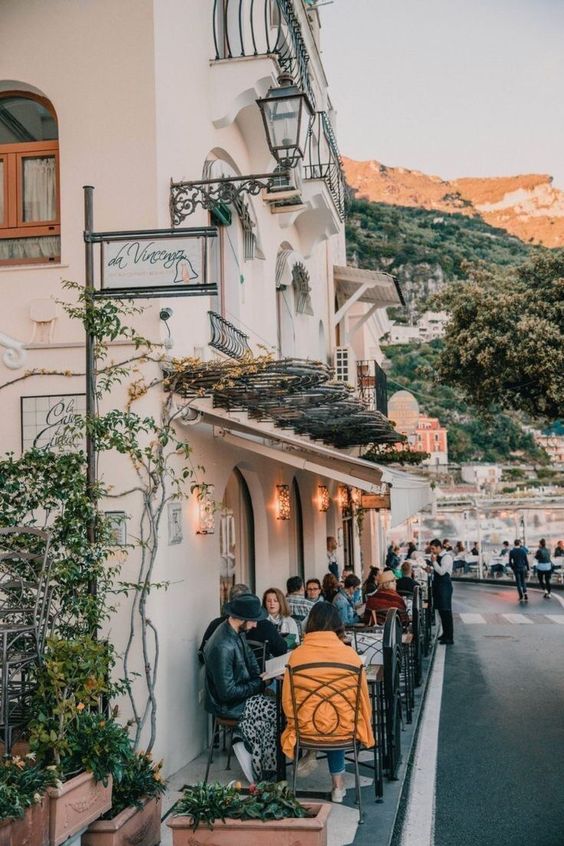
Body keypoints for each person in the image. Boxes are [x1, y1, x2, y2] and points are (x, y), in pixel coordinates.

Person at [281, 602, 374, 803]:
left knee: (321, 714)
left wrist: (294, 724)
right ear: (337, 624)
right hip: (343, 729)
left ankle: (310, 752)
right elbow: (362, 700)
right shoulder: (350, 656)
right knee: (336, 715)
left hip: (306, 729)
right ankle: (338, 785)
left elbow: (287, 701)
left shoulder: (296, 656)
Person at [204, 593, 276, 782]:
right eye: (253, 621)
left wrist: (263, 674)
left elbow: (250, 658)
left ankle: (267, 765)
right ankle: (259, 764)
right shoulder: (223, 645)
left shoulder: (235, 631)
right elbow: (227, 693)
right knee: (276, 712)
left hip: (240, 697)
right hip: (228, 705)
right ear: (242, 619)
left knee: (279, 704)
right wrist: (259, 683)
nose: (255, 625)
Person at [198, 583, 287, 664]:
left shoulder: (216, 624)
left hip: (221, 676)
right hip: (260, 675)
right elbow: (282, 651)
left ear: (230, 601)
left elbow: (202, 656)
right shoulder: (266, 626)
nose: (254, 624)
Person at [428, 538, 454, 645]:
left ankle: (449, 637)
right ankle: (444, 633)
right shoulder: (438, 557)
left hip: (445, 587)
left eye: (433, 548)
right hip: (439, 586)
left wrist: (434, 562)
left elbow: (442, 572)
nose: (432, 551)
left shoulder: (446, 557)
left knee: (446, 611)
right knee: (441, 612)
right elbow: (437, 571)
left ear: (439, 547)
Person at [509, 539, 530, 603]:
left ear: (514, 544)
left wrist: (512, 567)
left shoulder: (512, 551)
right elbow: (526, 561)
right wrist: (528, 569)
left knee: (518, 582)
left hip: (516, 568)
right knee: (523, 581)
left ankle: (521, 596)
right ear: (519, 544)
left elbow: (510, 561)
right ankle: (525, 594)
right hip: (522, 568)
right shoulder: (523, 551)